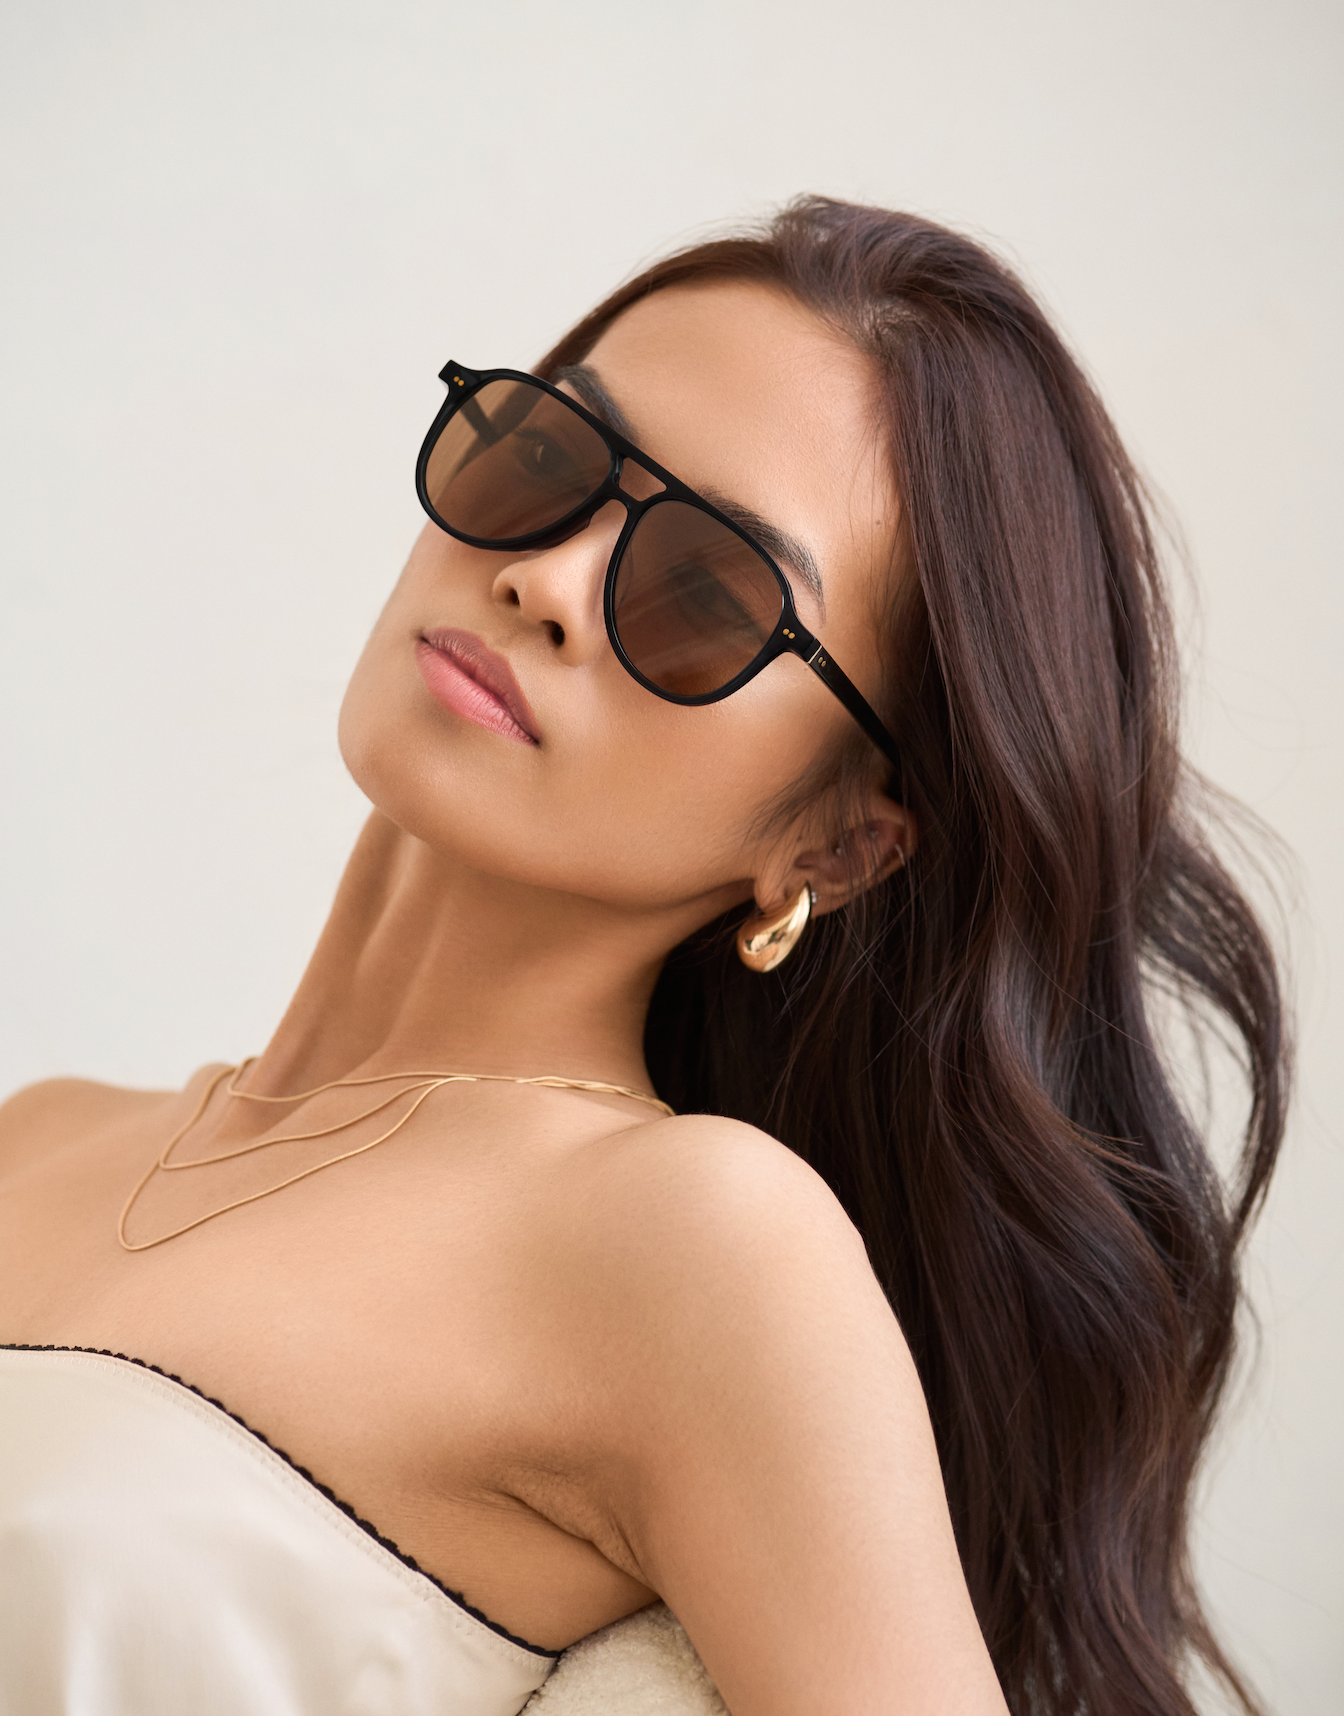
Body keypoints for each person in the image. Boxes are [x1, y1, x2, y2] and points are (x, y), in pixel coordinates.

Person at [0, 197, 1286, 1716]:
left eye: (703, 597)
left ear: (837, 845)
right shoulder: (39, 1140)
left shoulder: (699, 1250)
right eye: (545, 460)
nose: (544, 581)